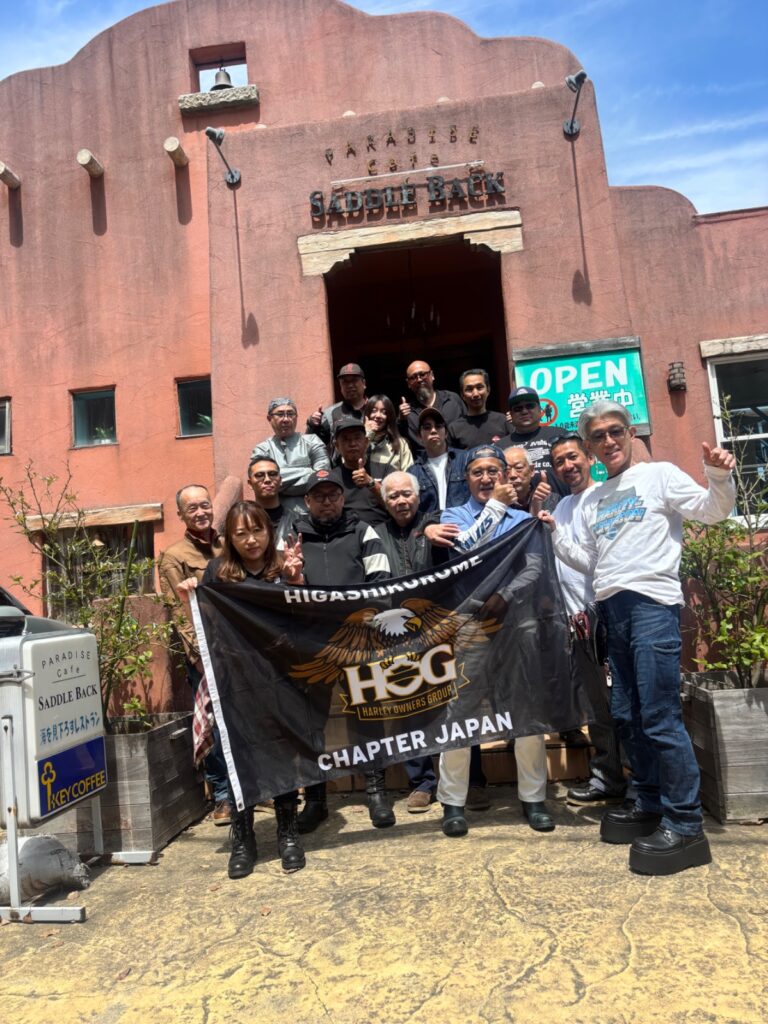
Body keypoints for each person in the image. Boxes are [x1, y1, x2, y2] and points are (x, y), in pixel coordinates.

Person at [540, 399, 736, 875]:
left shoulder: (659, 476)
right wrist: (555, 534)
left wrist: (719, 475)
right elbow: (591, 562)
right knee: (627, 716)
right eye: (598, 436)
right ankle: (648, 802)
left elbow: (713, 511)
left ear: (630, 434)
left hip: (652, 608)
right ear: (590, 448)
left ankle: (685, 825)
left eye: (616, 431)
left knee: (660, 717)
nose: (608, 441)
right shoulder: (595, 500)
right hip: (612, 611)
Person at [424, 444, 555, 838]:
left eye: (492, 471)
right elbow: (468, 550)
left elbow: (534, 567)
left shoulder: (522, 519)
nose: (485, 478)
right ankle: (452, 802)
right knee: (459, 710)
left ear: (505, 474)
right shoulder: (453, 516)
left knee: (525, 708)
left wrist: (506, 595)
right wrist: (496, 506)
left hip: (516, 621)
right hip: (470, 623)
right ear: (466, 478)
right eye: (477, 472)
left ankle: (533, 798)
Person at [177, 501, 306, 879]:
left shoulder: (284, 566)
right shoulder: (218, 571)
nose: (251, 540)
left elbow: (305, 619)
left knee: (282, 753)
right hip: (235, 681)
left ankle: (287, 833)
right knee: (238, 756)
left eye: (257, 530)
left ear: (269, 531)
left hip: (279, 678)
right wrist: (190, 600)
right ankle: (243, 838)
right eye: (241, 533)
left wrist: (297, 581)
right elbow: (206, 624)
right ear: (230, 539)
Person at [290, 468, 395, 832]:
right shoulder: (291, 534)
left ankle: (376, 793)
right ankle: (316, 801)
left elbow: (381, 585)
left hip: (357, 642)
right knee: (310, 723)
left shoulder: (363, 530)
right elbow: (280, 585)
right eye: (319, 496)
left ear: (342, 498)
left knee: (367, 717)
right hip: (310, 644)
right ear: (307, 501)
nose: (327, 502)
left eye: (333, 495)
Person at [548, 434, 626, 806]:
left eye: (573, 457)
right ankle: (608, 779)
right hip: (577, 623)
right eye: (559, 461)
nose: (568, 466)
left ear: (589, 457)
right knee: (597, 708)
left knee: (622, 704)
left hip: (607, 617)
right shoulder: (562, 506)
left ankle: (641, 783)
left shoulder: (605, 497)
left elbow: (600, 563)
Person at [158, 485, 230, 825]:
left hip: (237, 646)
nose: (200, 512)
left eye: (204, 505)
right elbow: (178, 611)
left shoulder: (229, 545)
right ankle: (223, 795)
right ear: (181, 515)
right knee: (212, 723)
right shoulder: (174, 556)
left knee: (242, 717)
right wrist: (198, 655)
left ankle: (250, 788)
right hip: (205, 652)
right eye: (192, 508)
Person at [375, 471, 444, 811]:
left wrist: (430, 527)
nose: (401, 501)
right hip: (396, 635)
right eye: (393, 496)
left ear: (418, 496)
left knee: (453, 703)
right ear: (384, 501)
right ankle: (422, 783)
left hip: (438, 628)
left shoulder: (437, 524)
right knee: (408, 709)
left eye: (406, 494)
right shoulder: (373, 534)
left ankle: (469, 780)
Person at [250, 397, 330, 513]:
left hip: (311, 514)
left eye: (290, 414)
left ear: (296, 417)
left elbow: (322, 477)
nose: (286, 419)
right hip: (274, 515)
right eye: (280, 414)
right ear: (269, 418)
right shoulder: (262, 449)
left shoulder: (313, 442)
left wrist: (278, 485)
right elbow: (261, 481)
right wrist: (308, 471)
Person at [502, 387, 570, 497]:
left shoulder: (560, 435)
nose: (524, 411)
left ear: (540, 410)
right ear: (511, 414)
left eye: (530, 406)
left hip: (564, 502)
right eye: (518, 408)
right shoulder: (500, 446)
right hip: (519, 507)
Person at [332, 416, 395, 525]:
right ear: (337, 446)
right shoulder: (332, 478)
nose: (352, 444)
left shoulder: (386, 470)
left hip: (381, 531)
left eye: (357, 438)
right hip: (346, 532)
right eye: (346, 439)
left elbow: (395, 504)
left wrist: (371, 483)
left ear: (366, 442)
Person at [398, 359, 465, 454]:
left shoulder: (452, 399)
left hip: (457, 458)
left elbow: (467, 425)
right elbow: (400, 444)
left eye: (422, 374)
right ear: (408, 383)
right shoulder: (407, 413)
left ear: (432, 375)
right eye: (413, 377)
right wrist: (401, 421)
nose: (419, 379)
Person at [411, 408, 470, 515]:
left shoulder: (465, 459)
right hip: (432, 524)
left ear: (446, 433)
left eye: (438, 426)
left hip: (464, 522)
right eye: (427, 427)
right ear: (419, 436)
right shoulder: (413, 472)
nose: (433, 430)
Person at [306, 363, 367, 448]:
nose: (350, 385)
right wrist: (313, 426)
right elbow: (312, 446)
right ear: (340, 386)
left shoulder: (377, 410)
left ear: (364, 383)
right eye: (345, 382)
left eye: (354, 380)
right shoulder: (330, 414)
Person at [447, 369, 509, 450]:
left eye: (479, 387)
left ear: (488, 390)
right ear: (462, 395)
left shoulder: (502, 421)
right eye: (469, 389)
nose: (475, 394)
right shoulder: (454, 428)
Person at [247, 456, 293, 548]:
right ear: (250, 484)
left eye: (272, 474)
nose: (267, 479)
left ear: (280, 481)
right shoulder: (242, 521)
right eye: (259, 475)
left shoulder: (295, 521)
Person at [364, 395, 413, 472]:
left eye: (384, 412)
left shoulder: (401, 444)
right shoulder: (357, 441)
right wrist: (368, 434)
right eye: (374, 411)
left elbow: (409, 473)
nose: (378, 415)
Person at [504, 446, 558, 515]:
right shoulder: (498, 504)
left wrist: (536, 506)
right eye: (507, 469)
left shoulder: (551, 500)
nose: (512, 475)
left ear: (532, 470)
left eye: (518, 468)